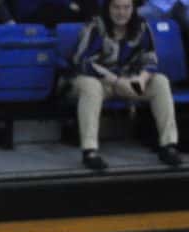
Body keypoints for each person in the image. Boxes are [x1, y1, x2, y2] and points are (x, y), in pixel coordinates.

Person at [71, 0, 182, 171]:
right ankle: (90, 151)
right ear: (108, 8)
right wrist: (116, 81)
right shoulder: (95, 27)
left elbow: (151, 59)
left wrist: (141, 80)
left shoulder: (141, 26)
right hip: (100, 82)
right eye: (116, 7)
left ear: (133, 9)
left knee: (160, 81)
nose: (121, 12)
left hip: (128, 81)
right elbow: (82, 62)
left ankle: (168, 146)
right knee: (90, 86)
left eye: (126, 7)